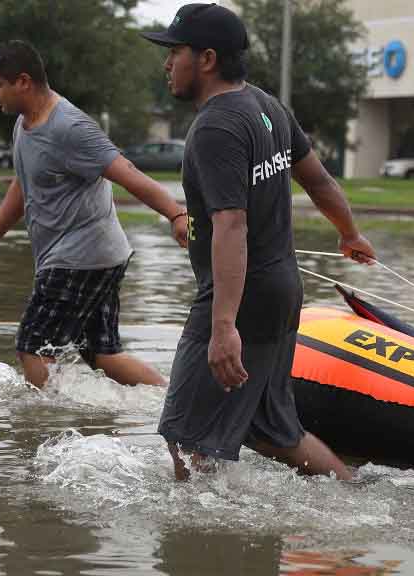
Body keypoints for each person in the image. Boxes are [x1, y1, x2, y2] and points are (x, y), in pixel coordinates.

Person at [142, 3, 376, 481]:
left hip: (239, 299)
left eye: (175, 52)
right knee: (272, 430)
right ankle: (355, 495)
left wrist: (223, 325)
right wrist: (349, 233)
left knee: (185, 436)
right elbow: (320, 182)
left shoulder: (214, 127)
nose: (167, 64)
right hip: (280, 291)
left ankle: (199, 545)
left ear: (206, 58)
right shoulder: (266, 106)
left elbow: (232, 226)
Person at [0, 40, 188, 388]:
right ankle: (169, 401)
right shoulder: (24, 124)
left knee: (32, 347)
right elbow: (23, 184)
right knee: (101, 354)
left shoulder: (69, 128)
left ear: (23, 82)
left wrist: (176, 214)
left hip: (78, 258)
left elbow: (126, 170)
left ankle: (46, 427)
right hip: (98, 256)